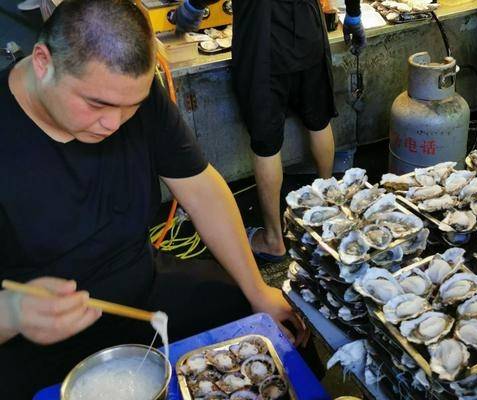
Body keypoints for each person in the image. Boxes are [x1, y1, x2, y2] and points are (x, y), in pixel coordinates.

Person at [0, 0, 305, 397]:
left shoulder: (131, 97)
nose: (113, 124)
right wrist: (13, 313)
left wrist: (256, 289)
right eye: (96, 104)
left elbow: (201, 188)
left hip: (142, 290)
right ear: (43, 61)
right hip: (34, 334)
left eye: (131, 107)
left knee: (261, 326)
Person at [173, 0, 366, 262]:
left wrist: (193, 7)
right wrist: (353, 16)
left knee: (266, 145)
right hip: (308, 33)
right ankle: (326, 214)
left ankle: (274, 239)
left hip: (261, 42)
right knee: (319, 121)